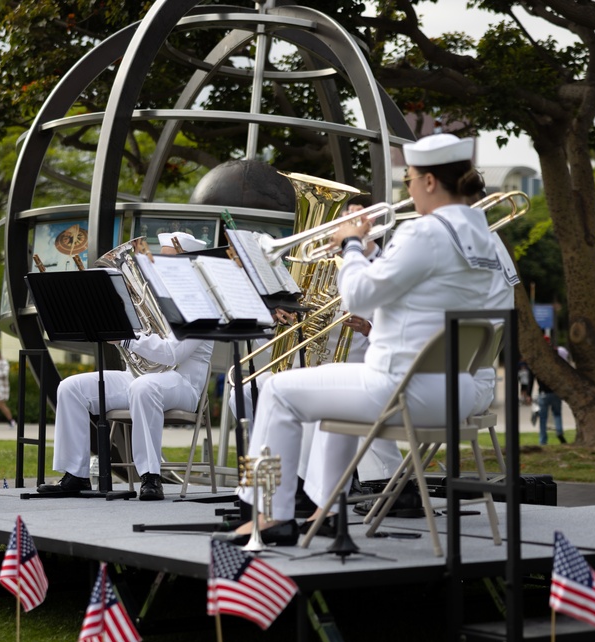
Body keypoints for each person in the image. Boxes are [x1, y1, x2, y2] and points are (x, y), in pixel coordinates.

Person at [215, 133, 515, 545]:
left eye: (408, 179)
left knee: (273, 390)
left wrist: (351, 245)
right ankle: (326, 512)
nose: (405, 189)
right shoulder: (487, 239)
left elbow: (357, 294)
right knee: (332, 394)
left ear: (429, 183)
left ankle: (267, 513)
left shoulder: (424, 233)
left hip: (402, 389)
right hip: (457, 391)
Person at [39, 232, 214, 500]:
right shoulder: (153, 297)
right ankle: (75, 474)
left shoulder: (202, 303)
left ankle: (150, 476)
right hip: (139, 376)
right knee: (70, 387)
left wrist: (126, 338)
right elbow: (136, 339)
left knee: (144, 387)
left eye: (169, 261)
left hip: (183, 384)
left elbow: (171, 354)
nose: (157, 267)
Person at [535, 372, 566, 445]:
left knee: (543, 418)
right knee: (557, 414)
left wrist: (528, 394)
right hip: (555, 392)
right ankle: (559, 431)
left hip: (543, 393)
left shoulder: (538, 368)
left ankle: (543, 440)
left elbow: (531, 379)